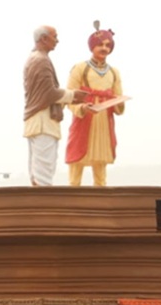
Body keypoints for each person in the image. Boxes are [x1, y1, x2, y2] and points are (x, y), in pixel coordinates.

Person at [23, 25, 87, 186]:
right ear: (44, 38)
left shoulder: (36, 58)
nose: (57, 40)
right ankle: (44, 205)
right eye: (54, 36)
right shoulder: (40, 60)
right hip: (43, 121)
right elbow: (48, 93)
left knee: (39, 168)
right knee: (44, 170)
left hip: (38, 120)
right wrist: (72, 95)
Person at [66, 23, 125, 187]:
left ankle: (100, 196)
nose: (104, 48)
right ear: (92, 46)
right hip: (85, 119)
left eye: (108, 45)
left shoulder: (114, 72)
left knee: (101, 161)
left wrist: (119, 104)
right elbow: (69, 96)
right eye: (100, 44)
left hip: (104, 121)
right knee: (77, 159)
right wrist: (81, 108)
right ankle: (72, 192)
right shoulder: (80, 68)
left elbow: (118, 98)